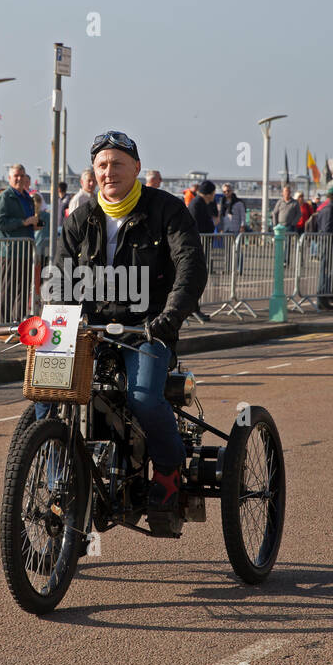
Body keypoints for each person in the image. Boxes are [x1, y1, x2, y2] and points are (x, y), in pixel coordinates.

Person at [46, 130, 206, 536]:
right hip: (91, 329)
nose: (108, 171)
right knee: (47, 391)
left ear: (136, 168)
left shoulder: (167, 210)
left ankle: (168, 473)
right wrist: (55, 324)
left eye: (117, 163)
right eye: (101, 164)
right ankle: (51, 479)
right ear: (93, 172)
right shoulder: (81, 218)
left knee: (144, 399)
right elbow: (62, 276)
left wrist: (168, 318)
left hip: (147, 326)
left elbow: (190, 268)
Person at [0, 164, 39, 322]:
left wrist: (37, 223)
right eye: (16, 176)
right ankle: (3, 324)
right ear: (9, 178)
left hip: (26, 250)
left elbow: (29, 220)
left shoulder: (27, 197)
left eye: (22, 175)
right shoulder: (5, 197)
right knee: (8, 288)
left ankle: (18, 322)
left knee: (24, 289)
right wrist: (23, 222)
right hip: (10, 251)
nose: (19, 178)